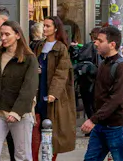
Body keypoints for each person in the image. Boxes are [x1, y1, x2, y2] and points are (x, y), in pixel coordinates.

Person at [0, 21, 40, 161]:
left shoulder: (29, 59)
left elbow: (29, 88)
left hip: (20, 113)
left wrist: (17, 111)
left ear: (18, 35)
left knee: (22, 155)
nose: (3, 38)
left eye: (7, 34)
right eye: (2, 35)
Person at [83, 24, 123, 161]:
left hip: (118, 125)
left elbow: (116, 98)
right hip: (102, 124)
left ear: (112, 44)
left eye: (100, 41)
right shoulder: (104, 63)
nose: (96, 43)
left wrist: (93, 119)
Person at [37, 16, 77, 160]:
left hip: (52, 94)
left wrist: (53, 93)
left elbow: (61, 73)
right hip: (38, 89)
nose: (45, 28)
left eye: (48, 26)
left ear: (55, 28)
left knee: (52, 132)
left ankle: (50, 158)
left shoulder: (61, 48)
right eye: (44, 26)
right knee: (36, 130)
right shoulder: (39, 45)